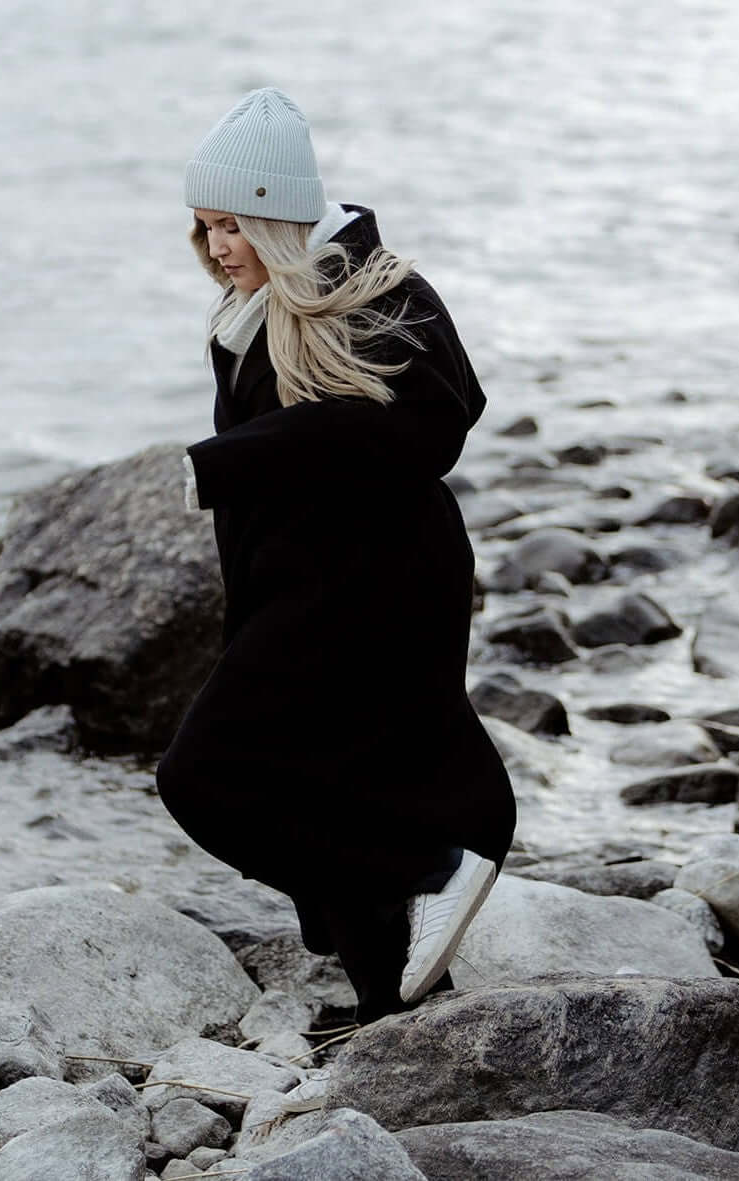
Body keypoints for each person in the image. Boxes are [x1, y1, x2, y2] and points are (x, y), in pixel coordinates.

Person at [157, 87, 516, 1025]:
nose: (217, 246)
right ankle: (392, 1022)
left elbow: (436, 421)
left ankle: (434, 865)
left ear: (278, 215)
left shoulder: (378, 288)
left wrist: (225, 464)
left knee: (201, 777)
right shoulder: (246, 311)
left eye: (233, 224)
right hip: (297, 585)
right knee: (335, 782)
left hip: (378, 582)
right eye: (205, 226)